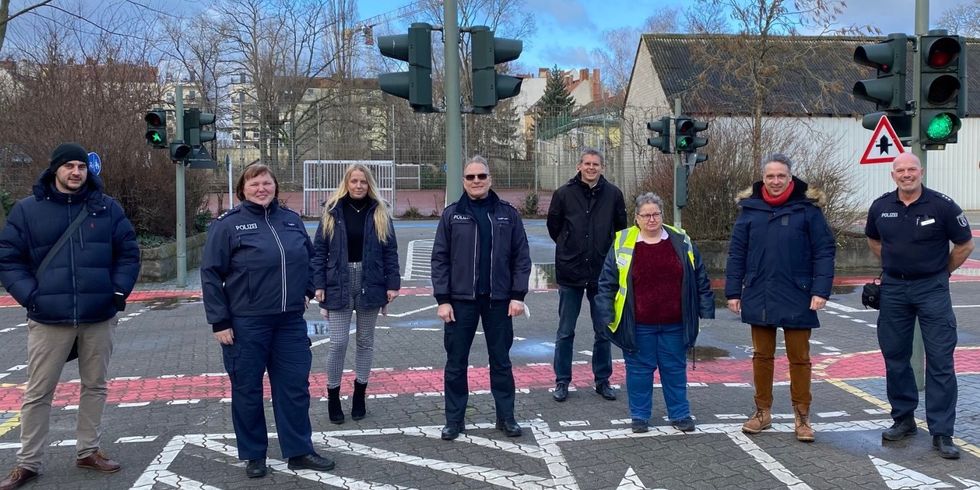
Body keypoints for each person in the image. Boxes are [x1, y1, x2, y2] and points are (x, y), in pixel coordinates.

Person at [0, 143, 140, 490]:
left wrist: (117, 293)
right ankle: (28, 462)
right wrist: (31, 297)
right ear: (55, 169)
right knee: (38, 391)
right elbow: (9, 258)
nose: (76, 172)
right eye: (69, 166)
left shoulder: (106, 208)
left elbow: (128, 253)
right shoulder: (27, 210)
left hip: (98, 315)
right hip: (49, 317)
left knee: (95, 386)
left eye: (81, 166)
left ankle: (88, 451)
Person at [201, 164, 334, 478]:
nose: (261, 189)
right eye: (254, 184)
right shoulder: (228, 225)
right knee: (247, 390)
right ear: (242, 190)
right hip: (247, 324)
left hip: (289, 322)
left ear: (275, 186)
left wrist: (306, 291)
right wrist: (219, 322)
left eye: (266, 183)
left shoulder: (290, 220)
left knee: (294, 388)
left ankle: (299, 450)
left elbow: (310, 259)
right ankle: (254, 455)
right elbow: (210, 275)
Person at [865, 152, 974, 460]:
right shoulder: (881, 206)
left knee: (940, 360)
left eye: (911, 169)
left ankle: (942, 432)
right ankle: (904, 420)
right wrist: (894, 264)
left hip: (932, 289)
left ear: (921, 172)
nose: (906, 174)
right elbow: (874, 240)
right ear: (893, 175)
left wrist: (942, 272)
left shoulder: (942, 205)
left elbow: (965, 244)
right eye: (900, 170)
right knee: (895, 356)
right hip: (894, 289)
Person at [725, 153, 835, 443]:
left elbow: (824, 251)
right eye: (770, 176)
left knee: (800, 358)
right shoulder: (750, 209)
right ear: (763, 178)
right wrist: (733, 291)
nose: (775, 181)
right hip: (759, 291)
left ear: (790, 177)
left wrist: (820, 290)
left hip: (798, 292)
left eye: (781, 176)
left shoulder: (808, 209)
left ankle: (802, 417)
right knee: (762, 356)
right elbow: (737, 252)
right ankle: (762, 412)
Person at [430, 155, 531, 441]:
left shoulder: (508, 214)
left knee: (501, 361)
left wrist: (517, 296)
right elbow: (439, 260)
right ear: (463, 181)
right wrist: (443, 299)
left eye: (481, 176)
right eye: (471, 177)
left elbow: (521, 258)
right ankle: (454, 420)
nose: (476, 181)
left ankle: (506, 417)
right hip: (460, 301)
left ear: (490, 179)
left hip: (499, 301)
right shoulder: (452, 215)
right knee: (456, 362)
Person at [595, 193, 714, 433]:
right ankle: (639, 416)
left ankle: (680, 414)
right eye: (646, 215)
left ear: (662, 215)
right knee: (639, 372)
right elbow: (607, 282)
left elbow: (699, 274)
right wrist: (606, 313)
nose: (652, 219)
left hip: (675, 322)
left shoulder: (681, 240)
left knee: (674, 371)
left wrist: (706, 306)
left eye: (656, 214)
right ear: (637, 218)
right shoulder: (622, 242)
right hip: (638, 323)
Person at [312, 164, 400, 424]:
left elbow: (390, 252)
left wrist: (392, 284)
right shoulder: (332, 211)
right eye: (354, 181)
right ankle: (333, 396)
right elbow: (319, 251)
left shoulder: (379, 212)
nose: (359, 185)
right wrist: (319, 284)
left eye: (363, 181)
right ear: (347, 183)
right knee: (338, 343)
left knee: (365, 341)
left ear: (369, 184)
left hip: (370, 281)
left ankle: (360, 394)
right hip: (338, 282)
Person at [547, 148, 627, 403]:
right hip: (570, 272)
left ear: (602, 167)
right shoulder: (563, 194)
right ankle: (562, 381)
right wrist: (568, 246)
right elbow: (554, 227)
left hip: (601, 273)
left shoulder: (613, 195)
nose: (591, 168)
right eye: (587, 163)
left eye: (596, 164)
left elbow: (620, 229)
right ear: (579, 166)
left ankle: (602, 381)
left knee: (602, 331)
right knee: (565, 331)